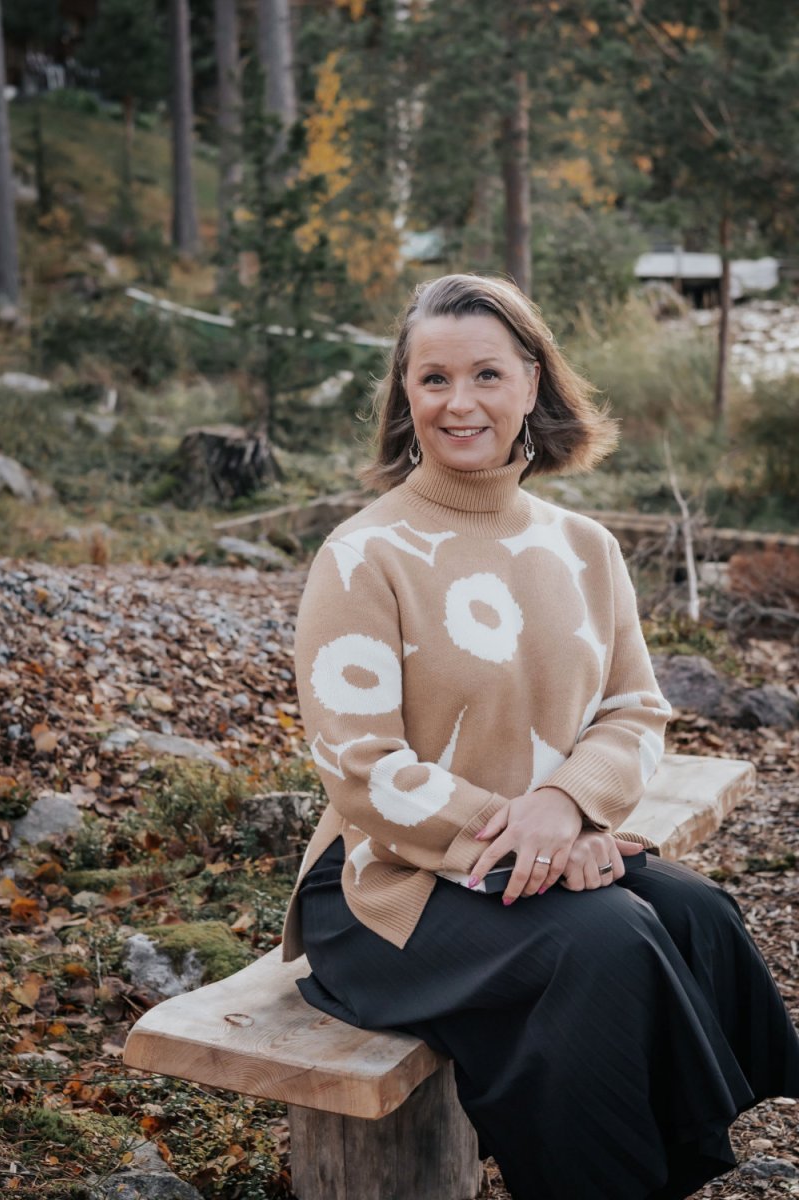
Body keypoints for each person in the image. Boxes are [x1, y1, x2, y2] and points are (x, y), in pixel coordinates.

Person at [280, 274, 799, 1200]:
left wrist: (565, 804)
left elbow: (636, 711)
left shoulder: (585, 547)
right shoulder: (363, 555)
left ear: (532, 382)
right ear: (406, 394)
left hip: (536, 843)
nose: (460, 402)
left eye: (486, 374)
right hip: (384, 882)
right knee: (605, 942)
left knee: (697, 915)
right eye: (433, 378)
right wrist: (533, 838)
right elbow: (360, 768)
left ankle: (654, 1167)